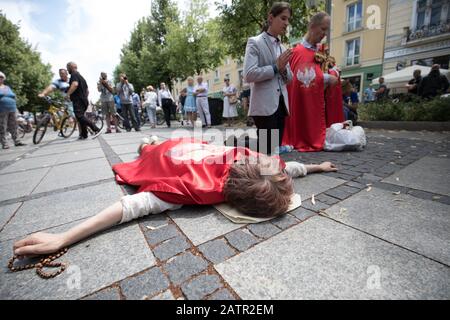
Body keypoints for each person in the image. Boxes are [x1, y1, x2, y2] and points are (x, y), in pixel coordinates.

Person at [11, 136, 339, 258]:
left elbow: (288, 169)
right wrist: (64, 237)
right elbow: (131, 206)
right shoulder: (189, 189)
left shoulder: (253, 160)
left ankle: (150, 141)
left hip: (183, 146)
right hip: (168, 153)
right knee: (148, 149)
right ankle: (146, 143)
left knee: (158, 143)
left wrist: (318, 167)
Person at [282, 12, 339, 152]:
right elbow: (295, 79)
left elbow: (327, 69)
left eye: (327, 30)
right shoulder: (296, 52)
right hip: (301, 103)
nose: (325, 34)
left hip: (319, 101)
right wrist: (325, 77)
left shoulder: (321, 52)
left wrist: (334, 72)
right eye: (323, 29)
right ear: (312, 26)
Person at [243, 2, 293, 154]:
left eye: (288, 20)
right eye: (283, 18)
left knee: (274, 148)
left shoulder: (283, 48)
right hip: (264, 106)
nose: (286, 23)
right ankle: (241, 145)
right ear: (271, 18)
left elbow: (289, 79)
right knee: (267, 148)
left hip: (281, 105)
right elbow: (249, 74)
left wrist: (283, 70)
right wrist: (275, 67)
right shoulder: (255, 42)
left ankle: (270, 173)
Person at [65, 62, 102, 140]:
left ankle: (96, 129)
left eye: (67, 68)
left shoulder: (74, 75)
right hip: (84, 100)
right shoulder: (81, 77)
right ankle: (84, 134)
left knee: (80, 116)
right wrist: (84, 98)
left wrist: (68, 94)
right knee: (80, 117)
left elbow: (75, 84)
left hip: (78, 100)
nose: (67, 70)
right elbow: (87, 91)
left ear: (71, 67)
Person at [0, 71, 26, 149]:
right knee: (2, 127)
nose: (0, 79)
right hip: (2, 109)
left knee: (14, 125)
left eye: (1, 77)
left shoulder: (7, 87)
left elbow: (13, 96)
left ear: (3, 78)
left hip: (12, 108)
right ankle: (4, 144)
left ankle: (17, 141)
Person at [324, 56, 345, 127]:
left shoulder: (332, 71)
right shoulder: (336, 70)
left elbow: (328, 83)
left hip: (331, 98)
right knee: (337, 115)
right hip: (335, 97)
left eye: (327, 62)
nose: (326, 63)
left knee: (331, 117)